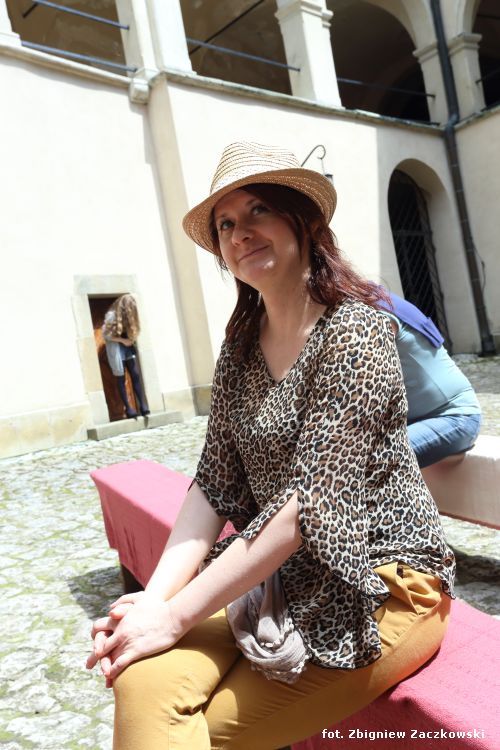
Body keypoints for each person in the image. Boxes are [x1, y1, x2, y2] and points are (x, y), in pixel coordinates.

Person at [87, 142, 455, 750]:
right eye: (226, 224)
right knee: (142, 680)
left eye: (259, 210)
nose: (240, 233)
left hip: (379, 586)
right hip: (277, 579)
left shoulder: (357, 332)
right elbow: (214, 483)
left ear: (303, 221)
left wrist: (176, 616)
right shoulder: (240, 345)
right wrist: (153, 602)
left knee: (187, 730)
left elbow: (308, 507)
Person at [378, 291, 481, 468]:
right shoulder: (374, 301)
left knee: (369, 463)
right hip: (412, 422)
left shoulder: (374, 315)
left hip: (452, 416)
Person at [102, 294, 150, 419]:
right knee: (121, 377)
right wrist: (123, 341)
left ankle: (143, 405)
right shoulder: (111, 315)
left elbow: (133, 330)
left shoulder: (130, 315)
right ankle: (128, 408)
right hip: (117, 349)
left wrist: (131, 339)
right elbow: (105, 334)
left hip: (128, 348)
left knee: (135, 374)